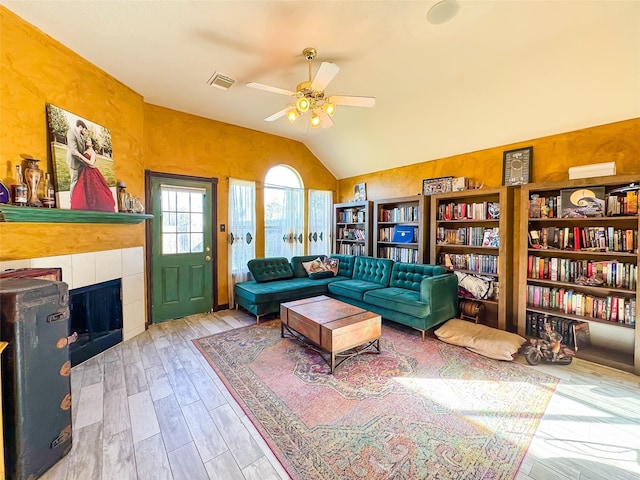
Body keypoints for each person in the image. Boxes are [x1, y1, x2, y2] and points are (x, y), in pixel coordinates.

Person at [69, 138, 116, 212]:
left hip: (91, 173)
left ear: (92, 143)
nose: (86, 141)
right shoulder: (85, 151)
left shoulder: (93, 152)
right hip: (84, 172)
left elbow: (91, 163)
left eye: (88, 140)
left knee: (94, 190)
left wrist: (80, 156)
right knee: (81, 190)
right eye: (86, 140)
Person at [66, 119, 88, 196]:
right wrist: (85, 161)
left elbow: (82, 150)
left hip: (80, 162)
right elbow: (73, 151)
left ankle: (79, 196)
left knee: (80, 181)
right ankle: (72, 199)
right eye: (85, 129)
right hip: (74, 161)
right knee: (74, 181)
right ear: (81, 127)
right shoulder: (71, 132)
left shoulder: (81, 137)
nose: (85, 131)